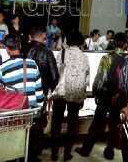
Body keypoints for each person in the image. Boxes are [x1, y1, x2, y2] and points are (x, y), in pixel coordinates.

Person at [75, 32, 127, 160]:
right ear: (125, 44)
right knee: (114, 124)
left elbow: (100, 78)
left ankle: (86, 150)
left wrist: (95, 92)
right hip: (120, 97)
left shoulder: (107, 58)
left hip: (105, 96)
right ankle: (109, 152)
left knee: (97, 124)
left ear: (113, 43)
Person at [51, 30, 90, 161]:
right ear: (80, 41)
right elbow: (86, 78)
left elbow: (55, 73)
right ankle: (67, 153)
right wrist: (83, 96)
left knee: (56, 123)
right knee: (72, 124)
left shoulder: (62, 53)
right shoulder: (84, 57)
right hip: (76, 93)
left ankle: (54, 153)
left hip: (61, 92)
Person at [25, 26, 59, 161]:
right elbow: (55, 76)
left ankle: (20, 152)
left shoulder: (23, 49)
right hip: (40, 93)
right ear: (43, 36)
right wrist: (49, 88)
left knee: (21, 123)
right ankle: (33, 154)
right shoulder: (47, 52)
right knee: (37, 124)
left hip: (20, 95)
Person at [0, 34, 44, 107]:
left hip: (13, 110)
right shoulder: (33, 64)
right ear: (20, 46)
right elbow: (39, 91)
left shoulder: (2, 68)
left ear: (7, 49)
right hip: (30, 110)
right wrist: (39, 105)